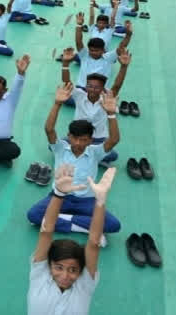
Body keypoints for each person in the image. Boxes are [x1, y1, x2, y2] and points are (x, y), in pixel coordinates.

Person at [27, 82, 121, 237]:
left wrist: (111, 114)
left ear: (91, 140)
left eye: (83, 139)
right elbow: (49, 129)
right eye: (75, 138)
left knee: (113, 225)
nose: (78, 143)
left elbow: (114, 140)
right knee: (33, 215)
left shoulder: (95, 152)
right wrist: (57, 104)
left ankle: (58, 219)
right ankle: (83, 226)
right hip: (60, 196)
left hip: (87, 201)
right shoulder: (60, 148)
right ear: (69, 136)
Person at [27, 165, 115, 315]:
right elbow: (46, 231)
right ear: (49, 265)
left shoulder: (84, 287)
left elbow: (94, 243)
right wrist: (59, 194)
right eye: (59, 267)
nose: (65, 276)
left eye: (73, 270)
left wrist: (100, 201)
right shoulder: (40, 275)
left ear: (81, 271)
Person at [62, 48, 130, 164]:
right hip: (78, 137)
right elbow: (67, 82)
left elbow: (117, 85)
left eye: (97, 87)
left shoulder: (106, 99)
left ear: (103, 88)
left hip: (97, 140)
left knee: (113, 155)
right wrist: (65, 64)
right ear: (86, 86)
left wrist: (123, 67)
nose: (93, 89)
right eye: (90, 86)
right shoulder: (80, 95)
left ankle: (82, 155)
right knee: (53, 145)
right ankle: (90, 156)